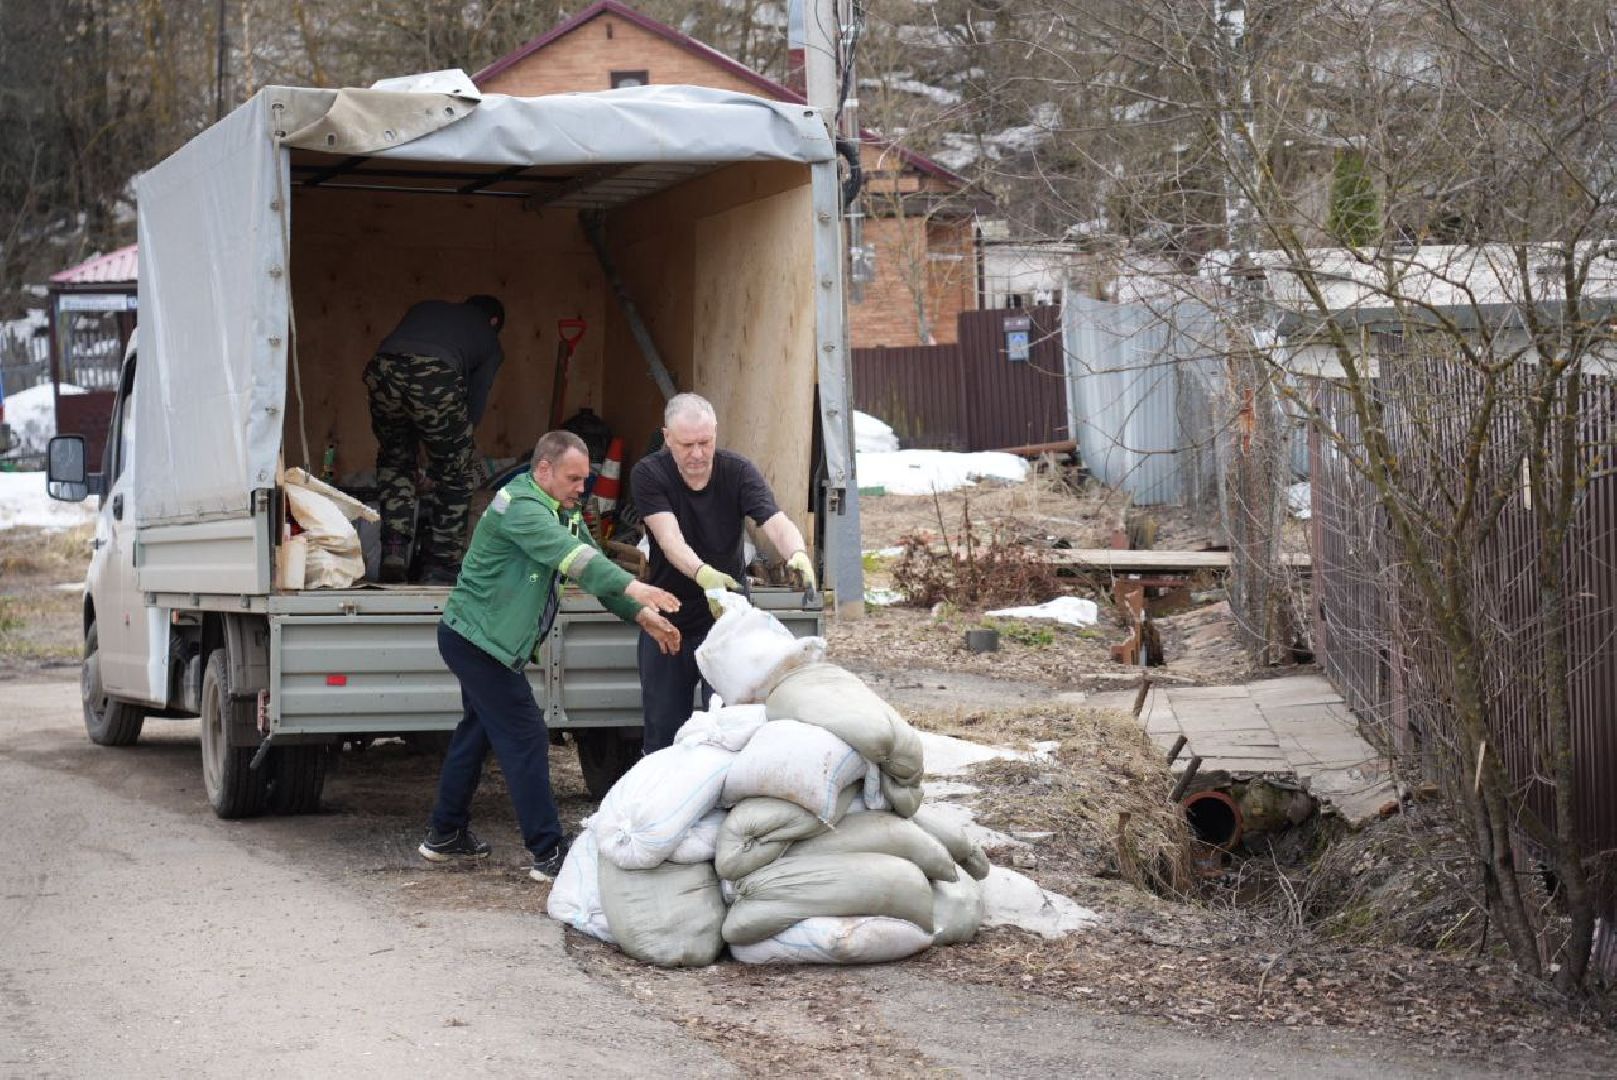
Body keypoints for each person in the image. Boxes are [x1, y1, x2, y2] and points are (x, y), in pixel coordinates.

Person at [419, 430, 683, 881]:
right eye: (574, 478)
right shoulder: (521, 508)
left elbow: (596, 568)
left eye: (585, 478)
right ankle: (548, 851)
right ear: (543, 470)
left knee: (476, 732)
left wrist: (640, 614)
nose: (583, 488)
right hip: (477, 642)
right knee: (525, 736)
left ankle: (445, 833)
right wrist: (636, 585)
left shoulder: (562, 510)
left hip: (484, 640)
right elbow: (572, 557)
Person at [631, 392, 817, 753]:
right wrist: (704, 574)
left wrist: (796, 553)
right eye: (687, 445)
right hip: (668, 620)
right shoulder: (649, 474)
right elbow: (669, 540)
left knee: (731, 725)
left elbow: (775, 522)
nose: (698, 454)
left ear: (716, 434)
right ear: (667, 437)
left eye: (706, 442)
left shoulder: (738, 471)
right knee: (664, 730)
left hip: (728, 620)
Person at [364, 294, 506, 585]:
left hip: (383, 370)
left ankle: (394, 551)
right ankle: (441, 565)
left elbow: (407, 371)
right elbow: (472, 406)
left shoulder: (425, 307)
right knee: (455, 472)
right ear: (494, 321)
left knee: (395, 460)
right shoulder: (489, 339)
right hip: (435, 373)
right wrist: (452, 449)